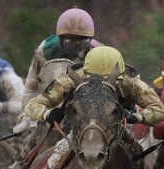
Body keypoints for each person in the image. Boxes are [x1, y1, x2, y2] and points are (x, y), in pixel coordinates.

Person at [25, 46, 164, 169]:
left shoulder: (130, 81)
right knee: (63, 146)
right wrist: (47, 113)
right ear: (86, 76)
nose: (101, 84)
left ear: (119, 77)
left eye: (107, 81)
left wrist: (137, 117)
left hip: (115, 126)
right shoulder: (70, 79)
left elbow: (160, 111)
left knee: (136, 150)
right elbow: (33, 105)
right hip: (82, 125)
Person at [13, 7, 100, 135]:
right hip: (48, 114)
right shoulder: (44, 50)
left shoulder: (98, 53)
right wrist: (27, 118)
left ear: (90, 39)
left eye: (81, 41)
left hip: (86, 116)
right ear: (60, 37)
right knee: (26, 151)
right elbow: (31, 87)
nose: (75, 45)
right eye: (70, 41)